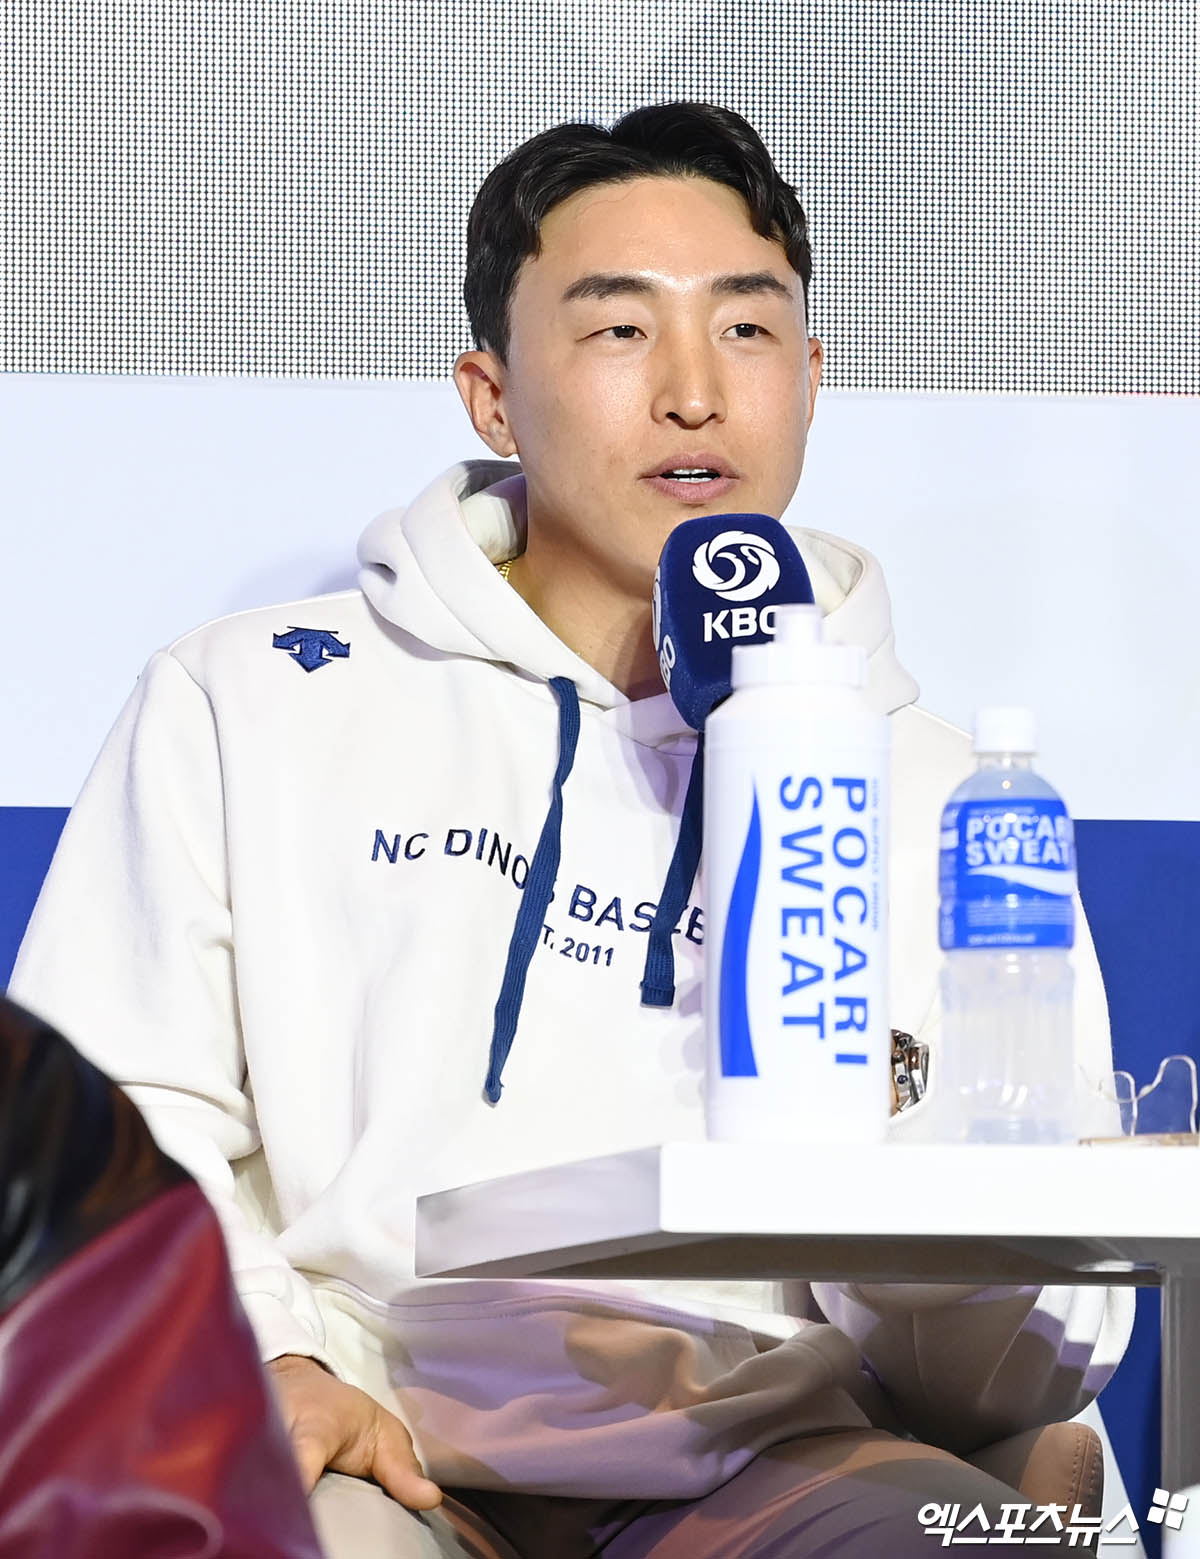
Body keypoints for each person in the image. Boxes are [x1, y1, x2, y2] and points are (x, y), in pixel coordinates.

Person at [9, 103, 1130, 1557]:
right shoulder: (253, 695)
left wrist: (947, 1247)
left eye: (746, 330)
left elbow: (1016, 1351)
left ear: (810, 380)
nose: (693, 394)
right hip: (373, 1427)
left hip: (769, 1450)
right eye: (619, 331)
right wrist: (261, 1353)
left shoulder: (936, 790)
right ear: (490, 397)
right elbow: (111, 1109)